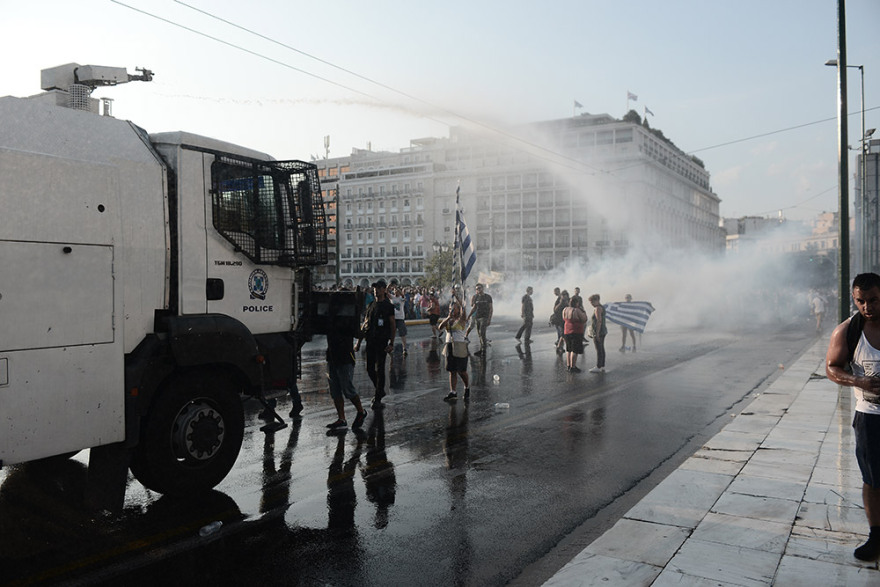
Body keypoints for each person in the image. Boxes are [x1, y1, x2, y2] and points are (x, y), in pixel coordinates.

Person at [825, 272, 880, 561]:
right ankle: (876, 535)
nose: (867, 307)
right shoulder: (847, 331)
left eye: (873, 300)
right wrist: (859, 382)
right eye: (861, 301)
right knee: (872, 479)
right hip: (870, 416)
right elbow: (832, 368)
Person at [355, 280, 396, 409]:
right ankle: (380, 389)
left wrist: (391, 342)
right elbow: (365, 324)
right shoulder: (371, 305)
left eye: (378, 288)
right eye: (374, 288)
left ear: (384, 289)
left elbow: (393, 325)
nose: (376, 290)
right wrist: (358, 342)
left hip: (382, 342)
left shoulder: (388, 306)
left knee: (381, 369)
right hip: (370, 341)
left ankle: (378, 396)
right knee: (369, 368)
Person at [324, 331, 369, 431]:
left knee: (347, 388)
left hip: (345, 357)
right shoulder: (330, 318)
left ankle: (361, 411)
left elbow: (358, 332)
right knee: (335, 390)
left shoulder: (346, 317)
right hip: (332, 356)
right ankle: (341, 419)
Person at [438, 300, 470, 401]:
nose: (452, 310)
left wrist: (457, 296)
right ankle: (453, 391)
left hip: (460, 346)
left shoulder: (461, 319)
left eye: (454, 308)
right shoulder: (449, 319)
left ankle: (467, 387)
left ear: (458, 309)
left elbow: (463, 309)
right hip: (450, 346)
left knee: (462, 371)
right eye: (450, 308)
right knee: (452, 370)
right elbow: (440, 327)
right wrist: (448, 317)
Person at [562, 296, 588, 372]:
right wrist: (584, 312)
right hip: (576, 331)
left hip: (567, 331)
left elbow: (564, 319)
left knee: (568, 349)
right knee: (575, 350)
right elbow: (584, 319)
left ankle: (568, 366)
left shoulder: (565, 309)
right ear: (577, 303)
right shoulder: (577, 310)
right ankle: (573, 367)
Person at [467, 283, 493, 356]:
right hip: (477, 317)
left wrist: (489, 319)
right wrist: (469, 316)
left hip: (484, 317)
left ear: (483, 288)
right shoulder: (475, 297)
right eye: (477, 289)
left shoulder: (488, 297)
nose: (478, 290)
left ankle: (483, 349)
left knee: (482, 332)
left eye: (479, 288)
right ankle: (482, 348)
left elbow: (491, 309)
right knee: (479, 333)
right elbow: (474, 307)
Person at [587, 293, 607, 373]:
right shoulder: (601, 307)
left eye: (592, 302)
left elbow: (599, 321)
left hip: (599, 331)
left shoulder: (597, 308)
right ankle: (602, 365)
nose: (591, 304)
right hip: (603, 330)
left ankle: (598, 366)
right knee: (601, 348)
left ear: (597, 300)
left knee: (599, 349)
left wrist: (597, 333)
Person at [388, 284, 408, 355]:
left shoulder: (401, 298)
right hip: (393, 318)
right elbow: (386, 293)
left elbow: (403, 296)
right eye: (395, 290)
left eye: (397, 291)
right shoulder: (392, 298)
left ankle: (404, 348)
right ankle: (391, 347)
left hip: (400, 318)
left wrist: (398, 289)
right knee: (391, 334)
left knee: (402, 334)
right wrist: (389, 286)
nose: (396, 292)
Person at [554, 289, 570, 355]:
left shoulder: (569, 300)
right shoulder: (559, 301)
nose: (564, 297)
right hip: (559, 320)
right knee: (563, 334)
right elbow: (555, 309)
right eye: (563, 295)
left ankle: (559, 347)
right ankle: (568, 347)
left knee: (563, 335)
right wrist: (560, 303)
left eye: (565, 295)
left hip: (566, 320)